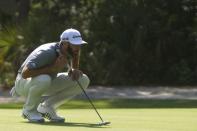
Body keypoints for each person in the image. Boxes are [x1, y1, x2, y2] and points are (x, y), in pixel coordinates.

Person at [10, 28, 90, 123]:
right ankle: (29, 111)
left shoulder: (70, 50)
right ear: (64, 43)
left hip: (46, 81)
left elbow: (76, 55)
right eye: (74, 45)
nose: (77, 48)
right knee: (44, 79)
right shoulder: (46, 52)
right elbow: (25, 73)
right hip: (22, 83)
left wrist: (74, 69)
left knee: (83, 79)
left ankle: (46, 108)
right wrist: (52, 68)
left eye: (79, 45)